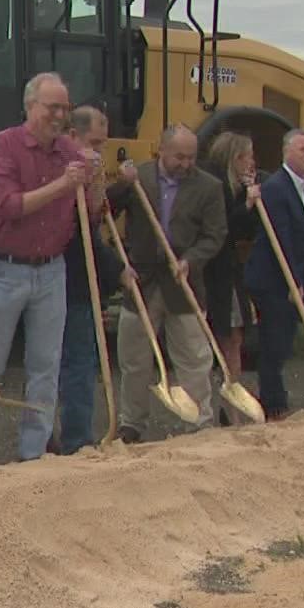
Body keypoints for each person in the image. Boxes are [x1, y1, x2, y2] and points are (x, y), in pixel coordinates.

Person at [0, 73, 95, 466]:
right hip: (4, 268)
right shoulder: (4, 145)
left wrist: (91, 178)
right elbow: (8, 206)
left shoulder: (70, 152)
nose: (60, 115)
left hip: (51, 269)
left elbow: (91, 212)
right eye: (52, 107)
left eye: (65, 108)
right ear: (31, 106)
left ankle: (33, 453)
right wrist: (64, 184)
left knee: (45, 365)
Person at [107, 123, 227, 442]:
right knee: (134, 358)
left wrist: (191, 260)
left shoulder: (209, 187)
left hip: (184, 283)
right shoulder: (140, 179)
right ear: (161, 151)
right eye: (179, 157)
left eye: (192, 157)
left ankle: (199, 421)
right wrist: (122, 184)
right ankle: (132, 423)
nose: (186, 164)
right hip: (142, 281)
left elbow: (215, 236)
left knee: (194, 357)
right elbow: (104, 209)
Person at [49, 104, 123, 454]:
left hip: (79, 281)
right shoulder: (56, 171)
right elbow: (76, 234)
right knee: (61, 362)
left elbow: (94, 222)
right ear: (73, 136)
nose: (99, 152)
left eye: (103, 144)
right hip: (60, 279)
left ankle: (74, 435)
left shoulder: (91, 175)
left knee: (76, 359)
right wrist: (117, 271)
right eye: (94, 143)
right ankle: (64, 439)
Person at [244, 129, 304, 421]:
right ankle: (274, 405)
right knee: (273, 343)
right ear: (287, 152)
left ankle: (272, 399)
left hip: (294, 278)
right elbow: (282, 238)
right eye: (302, 149)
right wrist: (293, 280)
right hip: (273, 279)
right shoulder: (277, 187)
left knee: (284, 340)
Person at [200, 129, 261, 424]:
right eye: (248, 156)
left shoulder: (234, 186)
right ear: (235, 157)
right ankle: (221, 407)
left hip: (230, 272)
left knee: (234, 337)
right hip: (214, 274)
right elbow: (223, 229)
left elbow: (246, 231)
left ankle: (231, 406)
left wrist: (249, 203)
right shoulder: (215, 185)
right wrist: (246, 205)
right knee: (223, 338)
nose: (252, 162)